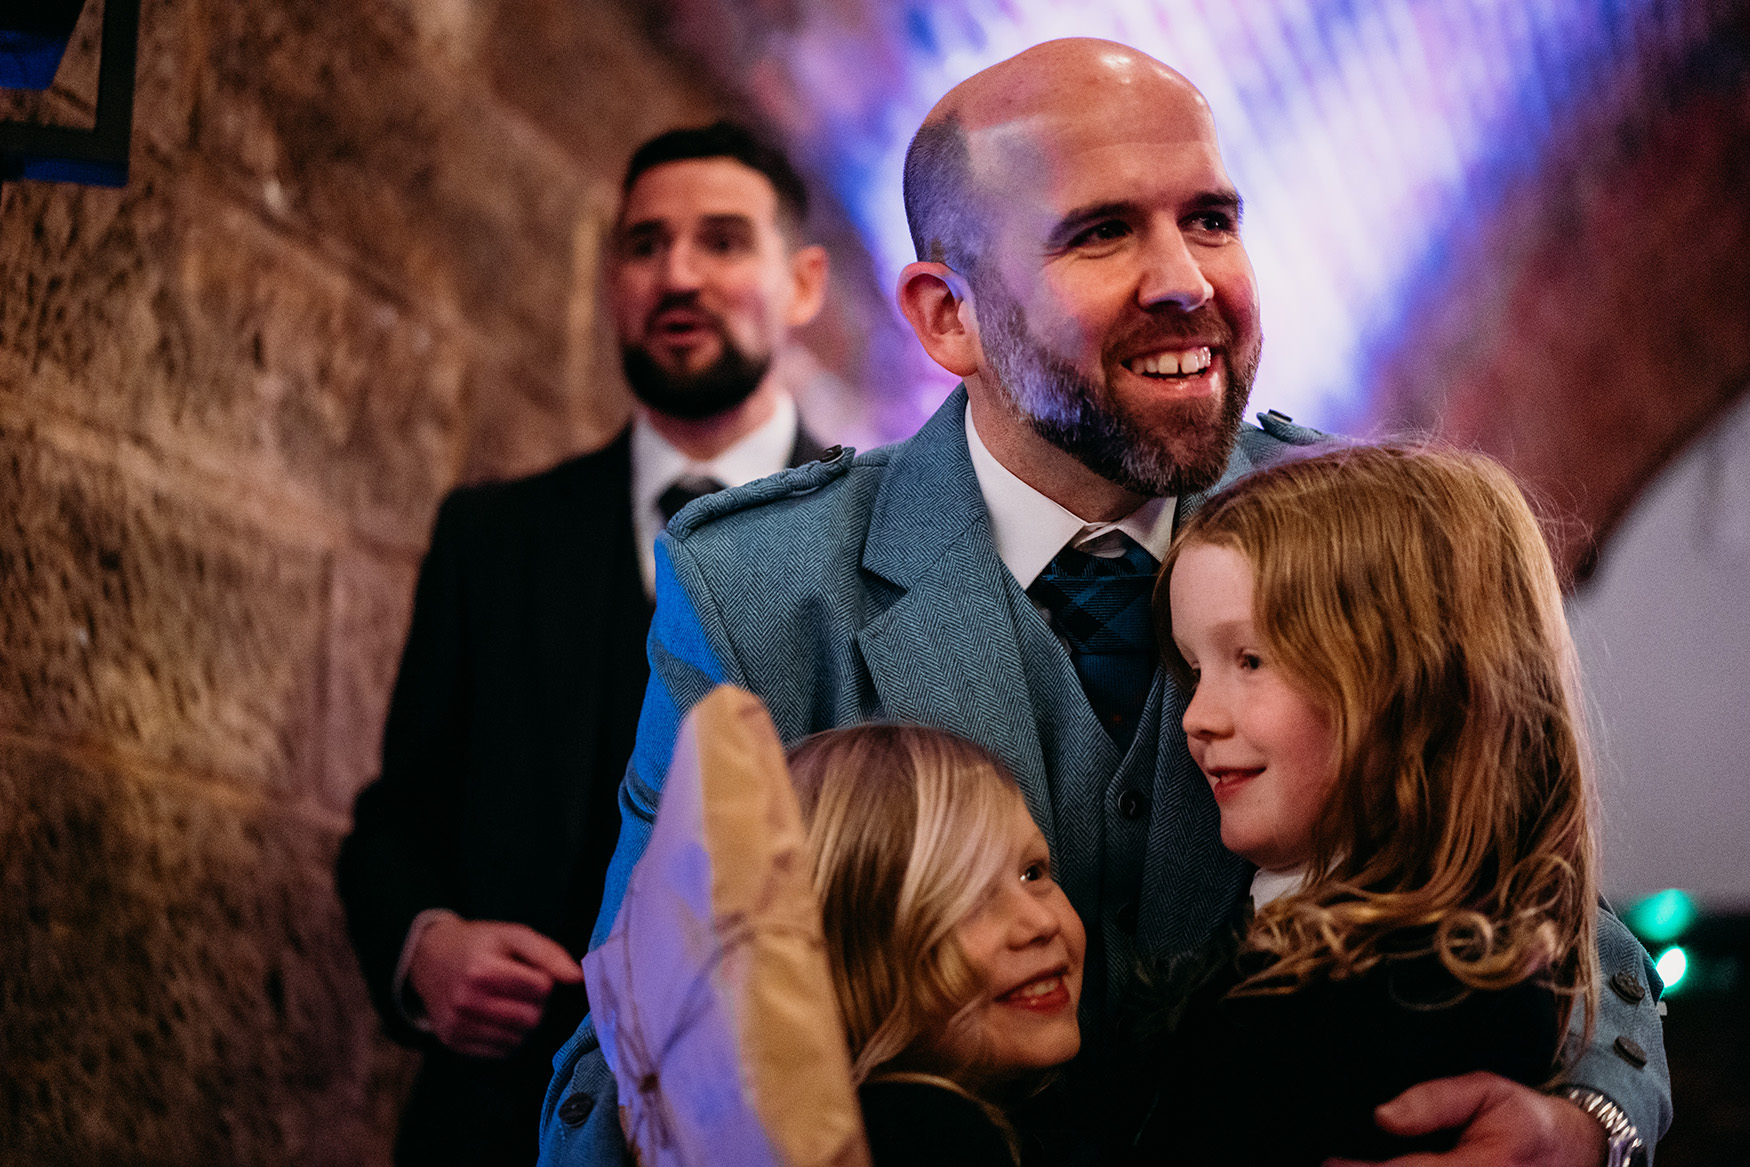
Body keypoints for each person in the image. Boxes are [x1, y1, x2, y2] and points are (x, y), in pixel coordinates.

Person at [540, 39, 1669, 1167]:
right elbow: (634, 1034)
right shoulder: (761, 589)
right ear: (948, 317)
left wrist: (1591, 1125)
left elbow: (1541, 892)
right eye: (1101, 231)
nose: (1186, 281)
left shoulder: (1355, 531)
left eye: (1212, 220)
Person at [335, 120, 831, 1165]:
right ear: (611, 279)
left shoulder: (877, 538)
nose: (677, 274)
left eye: (724, 241)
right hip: (493, 1128)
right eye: (644, 245)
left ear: (803, 284)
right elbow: (396, 819)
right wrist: (425, 948)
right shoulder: (494, 537)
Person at [1119, 444, 1604, 1164]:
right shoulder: (1474, 952)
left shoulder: (1372, 1009)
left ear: (1415, 682)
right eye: (1195, 670)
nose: (1195, 717)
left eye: (1250, 659)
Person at [789, 724, 1086, 1166]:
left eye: (1033, 873)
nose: (1040, 923)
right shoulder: (924, 1137)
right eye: (966, 896)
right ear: (853, 956)